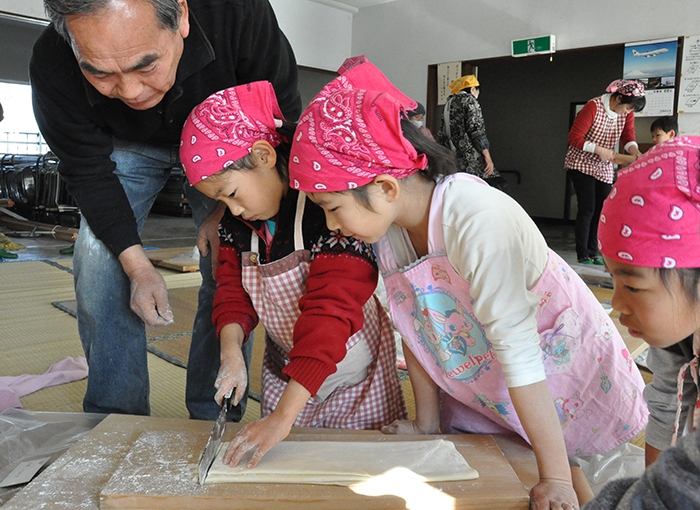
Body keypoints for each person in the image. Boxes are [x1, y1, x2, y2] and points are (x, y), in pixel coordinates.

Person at [288, 58, 648, 510]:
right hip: (483, 373)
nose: (332, 225)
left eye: (332, 207)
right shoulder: (390, 230)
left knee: (570, 479)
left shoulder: (474, 218)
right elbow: (416, 331)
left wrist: (553, 476)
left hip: (547, 367)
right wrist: (427, 424)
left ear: (384, 186)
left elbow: (519, 351)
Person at [30, 0, 301, 420]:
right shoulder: (51, 60)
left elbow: (281, 118)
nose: (132, 92)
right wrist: (138, 267)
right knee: (98, 260)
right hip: (126, 145)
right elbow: (87, 172)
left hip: (225, 145)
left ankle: (215, 417)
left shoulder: (237, 11)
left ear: (182, 15)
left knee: (229, 261)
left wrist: (226, 213)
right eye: (100, 73)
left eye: (146, 65)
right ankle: (115, 419)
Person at [179, 81, 407, 468]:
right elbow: (231, 294)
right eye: (220, 201)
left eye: (232, 193)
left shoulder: (327, 212)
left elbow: (329, 318)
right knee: (294, 467)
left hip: (355, 374)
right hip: (288, 371)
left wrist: (283, 418)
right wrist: (231, 351)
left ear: (265, 155)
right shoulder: (239, 227)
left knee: (358, 470)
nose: (231, 211)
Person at [585, 135, 700, 509]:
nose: (616, 304)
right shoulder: (679, 333)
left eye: (632, 286)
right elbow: (668, 402)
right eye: (613, 280)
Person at [565, 79, 645, 266]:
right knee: (588, 208)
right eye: (628, 108)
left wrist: (634, 152)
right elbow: (574, 138)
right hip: (581, 162)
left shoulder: (626, 112)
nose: (628, 112)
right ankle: (582, 253)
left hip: (604, 164)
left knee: (602, 209)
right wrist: (598, 149)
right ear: (618, 98)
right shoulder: (593, 106)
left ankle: (595, 251)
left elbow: (628, 136)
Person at [436, 74, 510, 195]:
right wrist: (487, 156)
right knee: (496, 184)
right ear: (472, 89)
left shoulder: (448, 104)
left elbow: (441, 133)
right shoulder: (470, 100)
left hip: (453, 156)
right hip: (471, 157)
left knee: (462, 188)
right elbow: (476, 130)